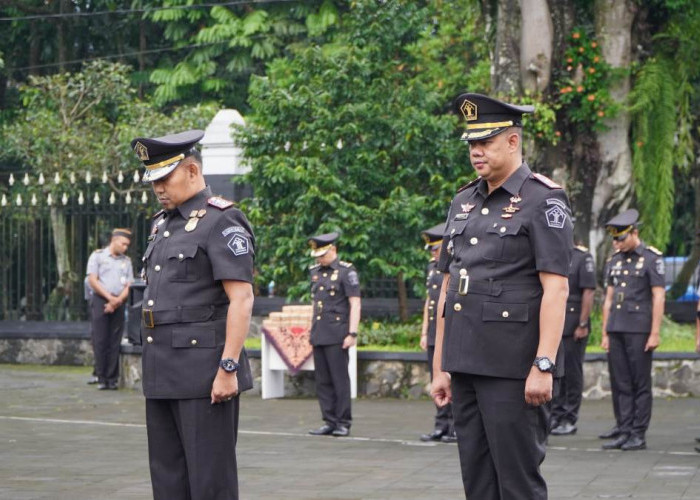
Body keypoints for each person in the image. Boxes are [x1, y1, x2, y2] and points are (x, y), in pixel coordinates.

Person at [431, 93, 573, 500]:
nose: (476, 152)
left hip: (514, 368)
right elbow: (448, 288)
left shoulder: (543, 200)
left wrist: (543, 364)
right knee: (477, 482)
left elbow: (556, 288)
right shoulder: (463, 201)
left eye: (486, 143)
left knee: (517, 484)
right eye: (472, 144)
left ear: (513, 142)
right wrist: (441, 366)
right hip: (465, 363)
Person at [131, 129, 255, 500]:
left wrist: (228, 369)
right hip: (162, 370)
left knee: (209, 481)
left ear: (192, 170)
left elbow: (242, 299)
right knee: (167, 479)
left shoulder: (221, 220)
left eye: (165, 178)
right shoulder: (161, 225)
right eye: (153, 181)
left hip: (206, 374)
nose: (158, 188)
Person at [600, 209, 665, 451]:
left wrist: (655, 332)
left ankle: (638, 433)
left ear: (634, 233)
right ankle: (624, 428)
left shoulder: (651, 259)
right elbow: (608, 299)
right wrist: (605, 332)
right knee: (620, 382)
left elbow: (658, 297)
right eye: (614, 239)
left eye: (621, 238)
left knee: (639, 383)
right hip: (616, 327)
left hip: (639, 329)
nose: (616, 243)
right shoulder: (614, 261)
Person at [307, 231, 361, 437]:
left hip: (338, 334)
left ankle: (343, 421)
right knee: (322, 380)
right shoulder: (315, 272)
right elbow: (315, 304)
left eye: (323, 254)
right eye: (317, 255)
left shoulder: (347, 272)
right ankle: (329, 420)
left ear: (333, 250)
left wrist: (352, 333)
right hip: (319, 332)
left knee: (340, 380)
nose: (319, 259)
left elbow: (354, 303)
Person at [550, 239, 596, 435]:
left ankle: (569, 417)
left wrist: (583, 323)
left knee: (572, 373)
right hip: (556, 325)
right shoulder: (551, 253)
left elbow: (588, 292)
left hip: (573, 325)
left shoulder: (581, 257)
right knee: (556, 372)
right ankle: (556, 415)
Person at [419, 223, 456, 443]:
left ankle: (455, 427)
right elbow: (429, 303)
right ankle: (441, 425)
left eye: (436, 248)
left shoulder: (453, 266)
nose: (434, 253)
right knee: (437, 379)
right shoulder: (433, 268)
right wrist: (424, 332)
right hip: (434, 331)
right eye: (432, 250)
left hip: (450, 332)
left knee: (453, 381)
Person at [86, 228, 134, 390]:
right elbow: (93, 280)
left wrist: (116, 301)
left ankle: (112, 379)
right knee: (100, 340)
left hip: (119, 301)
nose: (125, 247)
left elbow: (129, 284)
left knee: (115, 341)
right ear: (114, 240)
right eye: (123, 244)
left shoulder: (126, 261)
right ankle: (101, 377)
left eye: (127, 245)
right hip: (101, 300)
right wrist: (109, 298)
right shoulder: (98, 256)